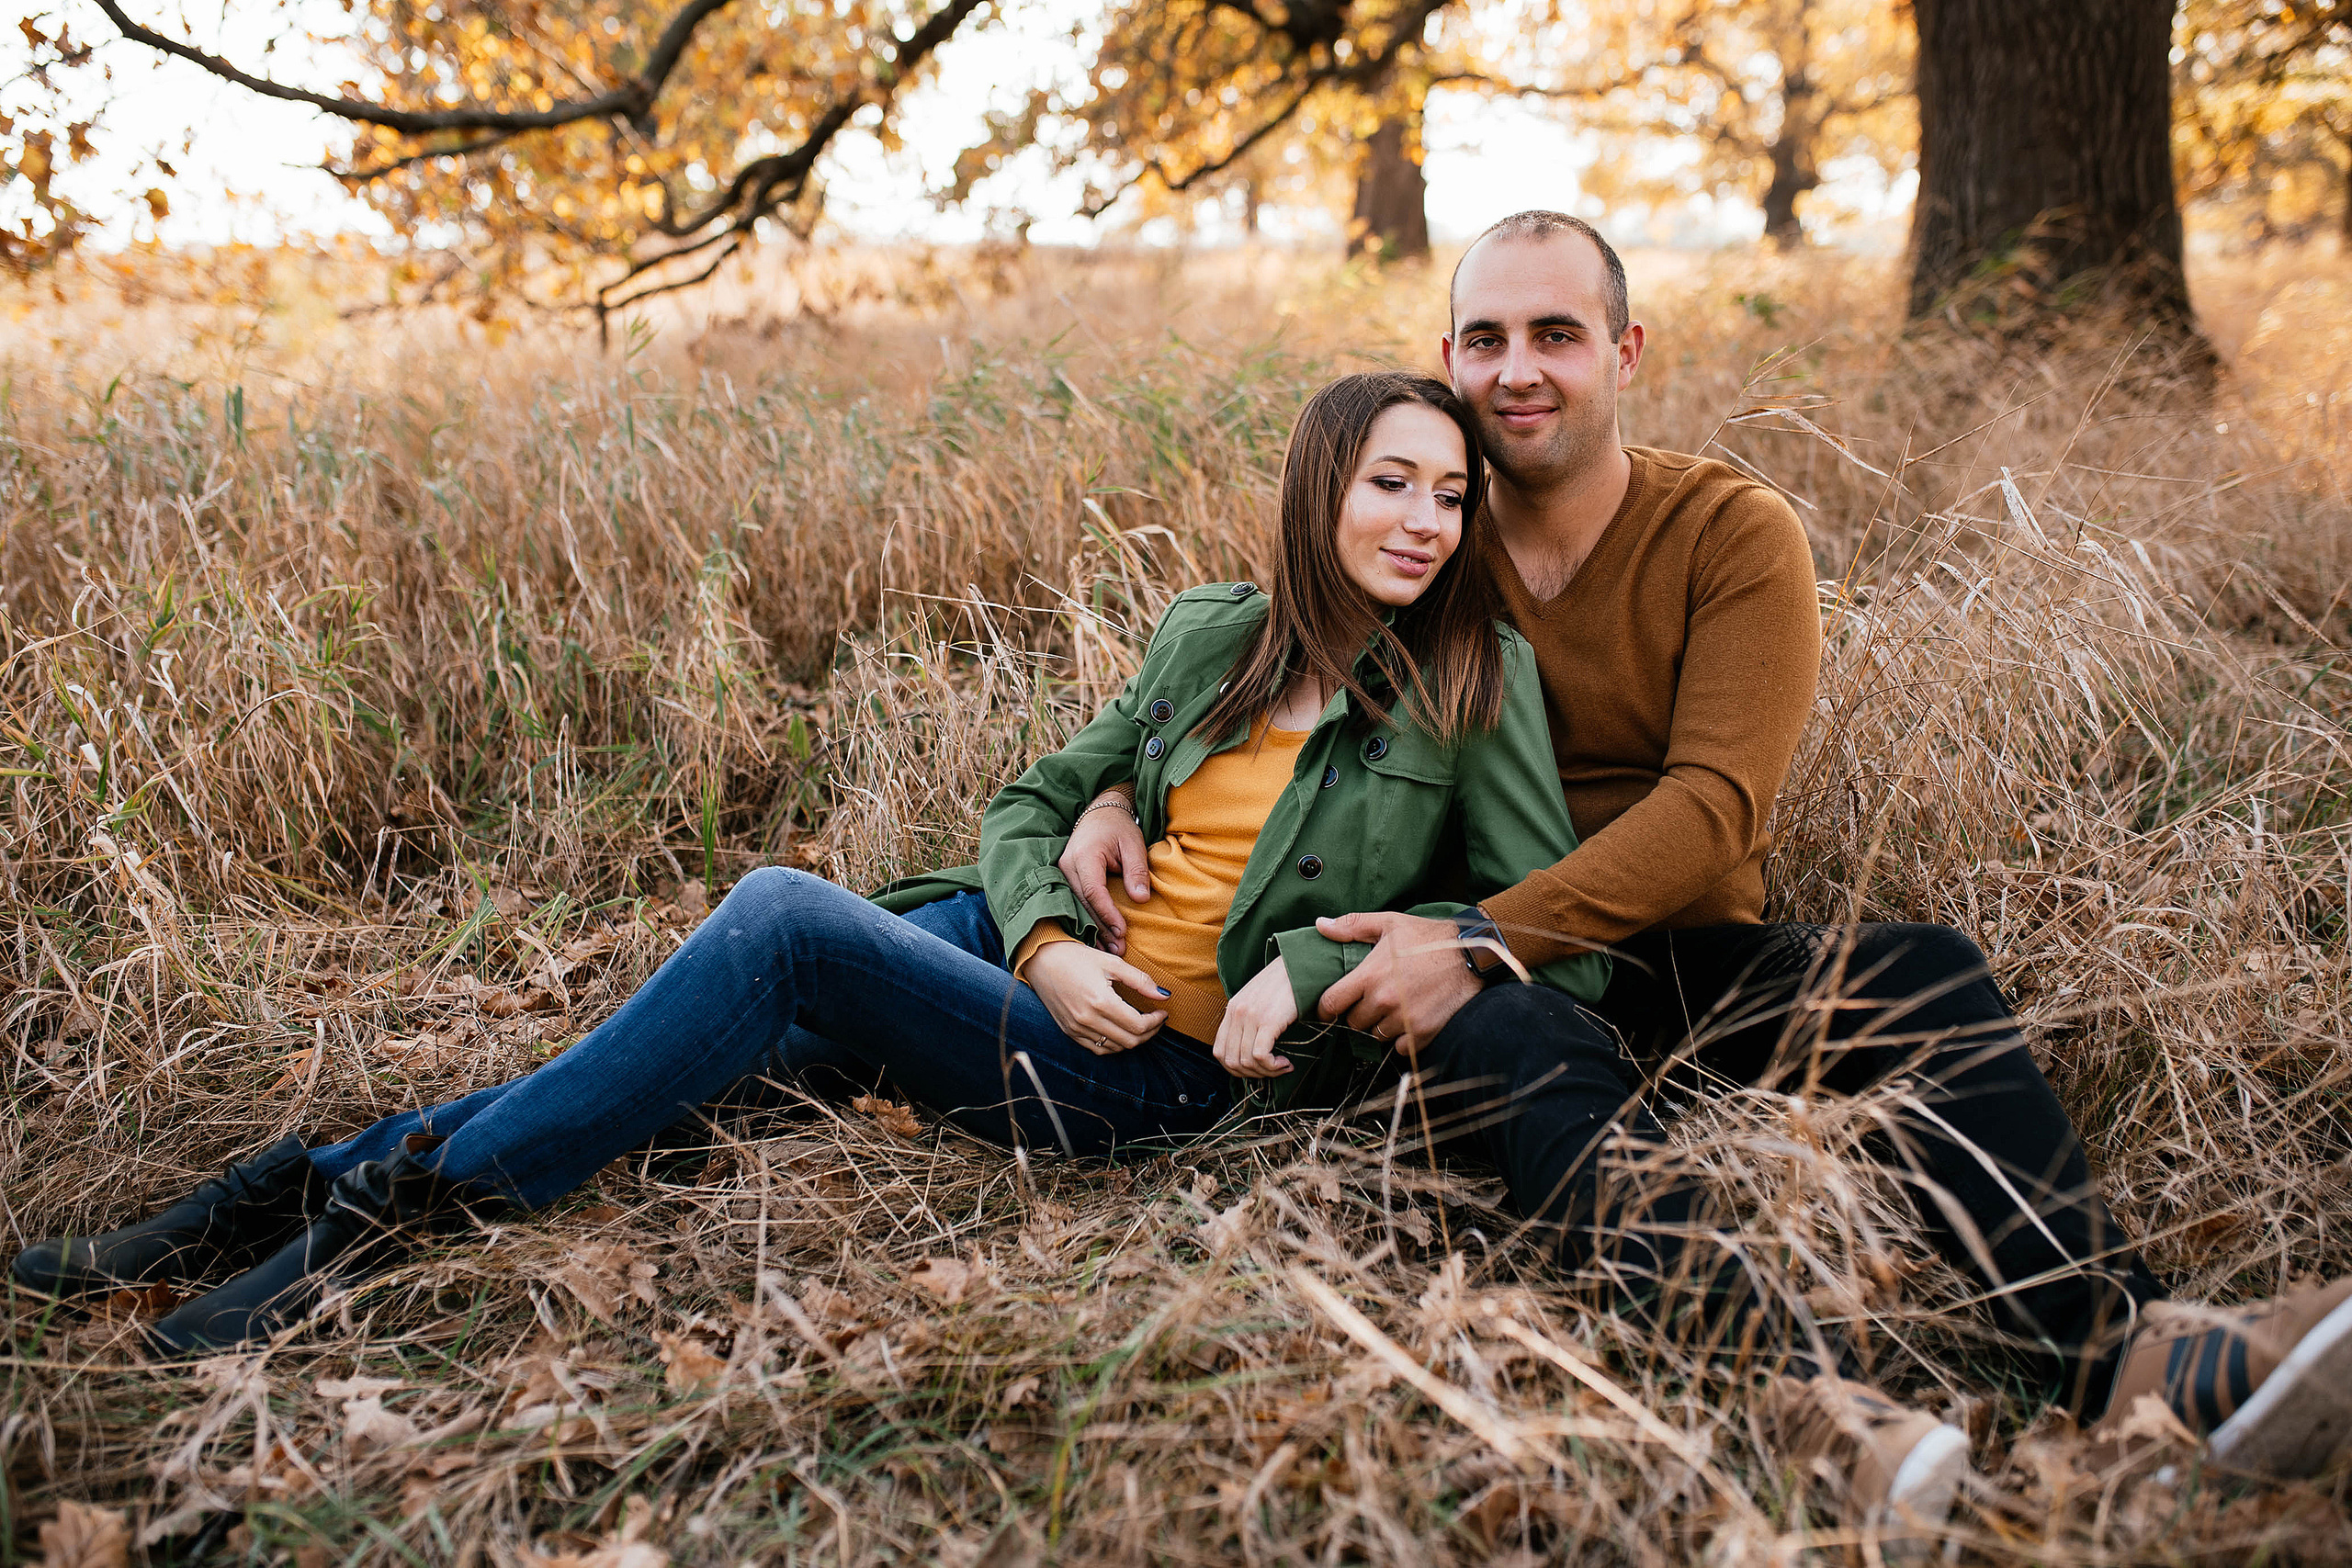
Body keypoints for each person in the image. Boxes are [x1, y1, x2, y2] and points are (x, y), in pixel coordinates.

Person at [1056, 213, 2352, 1522]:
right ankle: (1815, 1405)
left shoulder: (1731, 532)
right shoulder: (1426, 529)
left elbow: (1718, 809)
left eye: (1557, 334)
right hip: (1455, 979)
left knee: (1920, 974)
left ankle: (2120, 1349)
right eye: (1489, 339)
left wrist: (1487, 931)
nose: (1520, 370)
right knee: (1516, 1041)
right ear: (1447, 357)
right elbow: (1270, 670)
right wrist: (1116, 788)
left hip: (1664, 952)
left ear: (1624, 351)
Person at [12, 370, 1612, 1360]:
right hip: (1032, 978)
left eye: (1450, 494)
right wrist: (1050, 923)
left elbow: (1556, 937)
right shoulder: (1216, 634)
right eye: (1390, 481)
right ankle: (263, 1209)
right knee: (700, 1066)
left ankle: (351, 1241)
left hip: (1165, 1076)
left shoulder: (1479, 688)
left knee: (779, 918)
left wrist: (1320, 966)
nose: (1422, 519)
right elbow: (1034, 793)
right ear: (1319, 484)